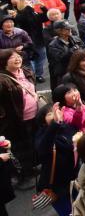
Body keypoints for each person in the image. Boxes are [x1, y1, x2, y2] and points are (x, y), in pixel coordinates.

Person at [0, 49, 39, 182]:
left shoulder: (26, 71)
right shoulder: (2, 79)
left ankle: (31, 167)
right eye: (12, 58)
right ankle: (22, 173)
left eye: (18, 56)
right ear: (4, 62)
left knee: (32, 142)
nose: (18, 59)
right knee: (21, 147)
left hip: (34, 115)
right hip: (17, 121)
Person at [34, 103, 79, 216]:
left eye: (57, 110)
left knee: (81, 207)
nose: (55, 114)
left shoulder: (67, 127)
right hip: (57, 186)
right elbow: (43, 148)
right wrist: (55, 124)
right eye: (50, 113)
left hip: (74, 178)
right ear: (43, 121)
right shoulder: (42, 135)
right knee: (68, 212)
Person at [47, 20, 83, 90]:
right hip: (65, 73)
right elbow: (60, 58)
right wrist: (71, 51)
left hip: (79, 69)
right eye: (66, 29)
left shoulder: (76, 38)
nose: (70, 30)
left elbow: (84, 49)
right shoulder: (53, 45)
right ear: (59, 31)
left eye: (70, 28)